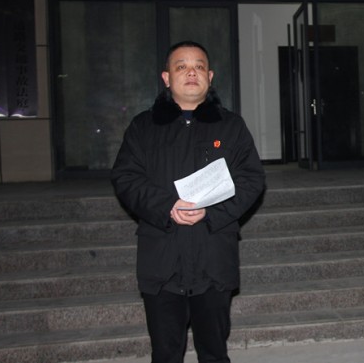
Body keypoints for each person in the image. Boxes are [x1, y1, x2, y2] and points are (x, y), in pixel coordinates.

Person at [111, 41, 265, 363]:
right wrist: (166, 206)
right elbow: (126, 178)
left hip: (213, 257)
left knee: (214, 353)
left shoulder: (231, 126)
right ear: (167, 78)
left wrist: (212, 212)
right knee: (165, 354)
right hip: (162, 260)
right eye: (181, 66)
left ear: (210, 76)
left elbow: (251, 180)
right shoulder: (144, 127)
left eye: (198, 67)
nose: (191, 73)